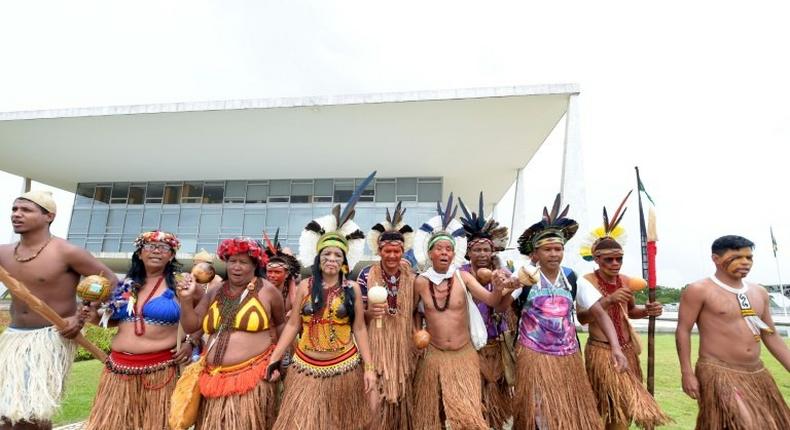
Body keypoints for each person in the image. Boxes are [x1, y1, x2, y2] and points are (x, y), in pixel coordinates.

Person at [504, 194, 628, 430]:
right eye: (547, 249)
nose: (554, 254)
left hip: (567, 355)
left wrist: (616, 348)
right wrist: (505, 288)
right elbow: (500, 305)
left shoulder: (571, 278)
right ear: (536, 253)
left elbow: (600, 312)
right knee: (535, 413)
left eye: (558, 249)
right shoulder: (524, 276)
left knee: (566, 412)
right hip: (532, 354)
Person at [0, 191, 117, 430]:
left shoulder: (67, 252)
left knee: (31, 416)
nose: (17, 214)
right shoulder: (3, 253)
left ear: (48, 216)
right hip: (13, 338)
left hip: (51, 338)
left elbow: (109, 280)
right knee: (6, 415)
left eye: (26, 210)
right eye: (14, 209)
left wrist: (81, 315)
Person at [267, 173, 376, 430]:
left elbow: (359, 328)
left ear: (344, 261)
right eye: (326, 253)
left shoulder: (352, 289)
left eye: (337, 255)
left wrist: (369, 367)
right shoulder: (306, 286)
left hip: (344, 366)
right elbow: (293, 326)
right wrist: (275, 357)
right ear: (319, 258)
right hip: (305, 367)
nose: (331, 259)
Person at [576, 193, 670, 429]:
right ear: (597, 259)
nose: (615, 264)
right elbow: (582, 318)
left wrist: (648, 311)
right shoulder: (587, 281)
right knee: (611, 409)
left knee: (627, 410)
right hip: (602, 351)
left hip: (628, 351)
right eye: (609, 260)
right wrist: (608, 300)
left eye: (619, 259)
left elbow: (631, 311)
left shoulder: (625, 281)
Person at [676, 235, 790, 430]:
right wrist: (687, 373)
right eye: (737, 257)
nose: (745, 262)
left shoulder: (759, 292)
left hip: (757, 372)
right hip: (718, 371)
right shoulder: (699, 290)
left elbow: (769, 334)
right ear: (716, 259)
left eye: (749, 258)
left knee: (776, 425)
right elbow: (683, 331)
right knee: (749, 425)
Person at [410, 195, 502, 430]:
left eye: (448, 249)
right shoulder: (420, 282)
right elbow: (412, 312)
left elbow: (491, 299)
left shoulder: (464, 277)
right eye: (439, 248)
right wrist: (416, 333)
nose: (444, 252)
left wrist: (501, 287)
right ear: (430, 253)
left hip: (463, 354)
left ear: (453, 254)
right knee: (434, 413)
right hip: (434, 355)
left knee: (467, 413)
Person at [86, 231, 194, 430]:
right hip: (118, 370)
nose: (156, 251)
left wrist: (191, 342)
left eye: (163, 248)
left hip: (160, 371)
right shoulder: (127, 284)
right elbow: (114, 322)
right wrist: (92, 314)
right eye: (149, 246)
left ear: (171, 255)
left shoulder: (181, 283)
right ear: (139, 253)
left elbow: (202, 317)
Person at [178, 237, 285, 430]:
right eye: (232, 261)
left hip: (252, 378)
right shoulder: (216, 290)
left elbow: (281, 327)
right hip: (213, 378)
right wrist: (185, 300)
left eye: (243, 262)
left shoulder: (268, 291)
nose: (236, 267)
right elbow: (191, 325)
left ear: (255, 265)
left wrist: (279, 361)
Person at [357, 202, 417, 430]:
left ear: (403, 251)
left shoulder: (412, 276)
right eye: (387, 251)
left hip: (403, 344)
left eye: (397, 251)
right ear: (379, 251)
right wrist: (370, 313)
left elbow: (418, 311)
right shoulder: (366, 275)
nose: (392, 255)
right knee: (376, 397)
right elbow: (358, 318)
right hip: (376, 343)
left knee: (403, 396)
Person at [457, 193, 513, 429]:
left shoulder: (503, 272)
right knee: (472, 400)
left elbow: (501, 306)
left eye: (486, 250)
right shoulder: (460, 273)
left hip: (496, 343)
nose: (481, 254)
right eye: (477, 250)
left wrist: (505, 287)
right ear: (469, 252)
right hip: (468, 346)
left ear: (493, 252)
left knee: (497, 401)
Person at [261, 229, 301, 317]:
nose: (272, 276)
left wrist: (294, 312)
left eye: (277, 272)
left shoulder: (297, 291)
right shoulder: (258, 290)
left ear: (286, 274)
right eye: (270, 272)